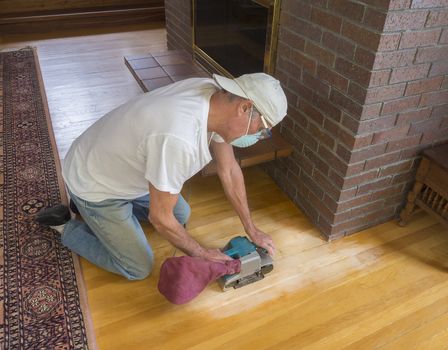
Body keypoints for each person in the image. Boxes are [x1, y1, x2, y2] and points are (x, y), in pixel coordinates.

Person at [36, 72, 288, 280]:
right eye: (262, 128)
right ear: (245, 107)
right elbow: (160, 217)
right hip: (95, 183)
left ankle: (98, 214)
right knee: (138, 267)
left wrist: (251, 228)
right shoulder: (179, 137)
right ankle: (66, 224)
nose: (259, 136)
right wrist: (201, 253)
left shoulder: (213, 97)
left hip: (120, 166)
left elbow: (230, 169)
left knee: (181, 215)